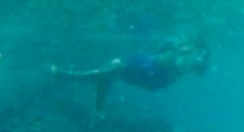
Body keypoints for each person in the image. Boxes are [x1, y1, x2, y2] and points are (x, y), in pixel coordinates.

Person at [51, 38, 211, 112]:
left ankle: (69, 77)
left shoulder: (193, 56)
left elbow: (195, 68)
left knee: (112, 72)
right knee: (110, 73)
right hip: (150, 68)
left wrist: (193, 58)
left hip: (153, 73)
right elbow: (163, 53)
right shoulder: (180, 49)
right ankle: (97, 109)